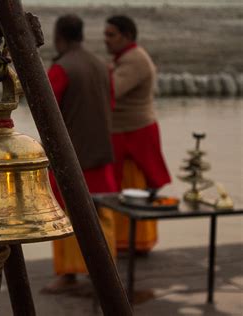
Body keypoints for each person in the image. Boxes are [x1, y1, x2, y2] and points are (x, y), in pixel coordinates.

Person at [42, 14, 118, 293]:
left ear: (59, 36)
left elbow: (45, 112)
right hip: (101, 150)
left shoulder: (61, 69)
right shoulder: (101, 64)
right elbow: (111, 102)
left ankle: (70, 274)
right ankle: (104, 272)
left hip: (71, 156)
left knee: (67, 213)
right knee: (101, 212)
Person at [104, 15, 171, 253]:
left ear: (127, 36)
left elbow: (112, 91)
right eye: (106, 34)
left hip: (134, 134)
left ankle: (134, 242)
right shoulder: (125, 58)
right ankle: (129, 241)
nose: (106, 40)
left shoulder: (134, 60)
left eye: (111, 35)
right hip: (126, 131)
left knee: (132, 187)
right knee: (124, 187)